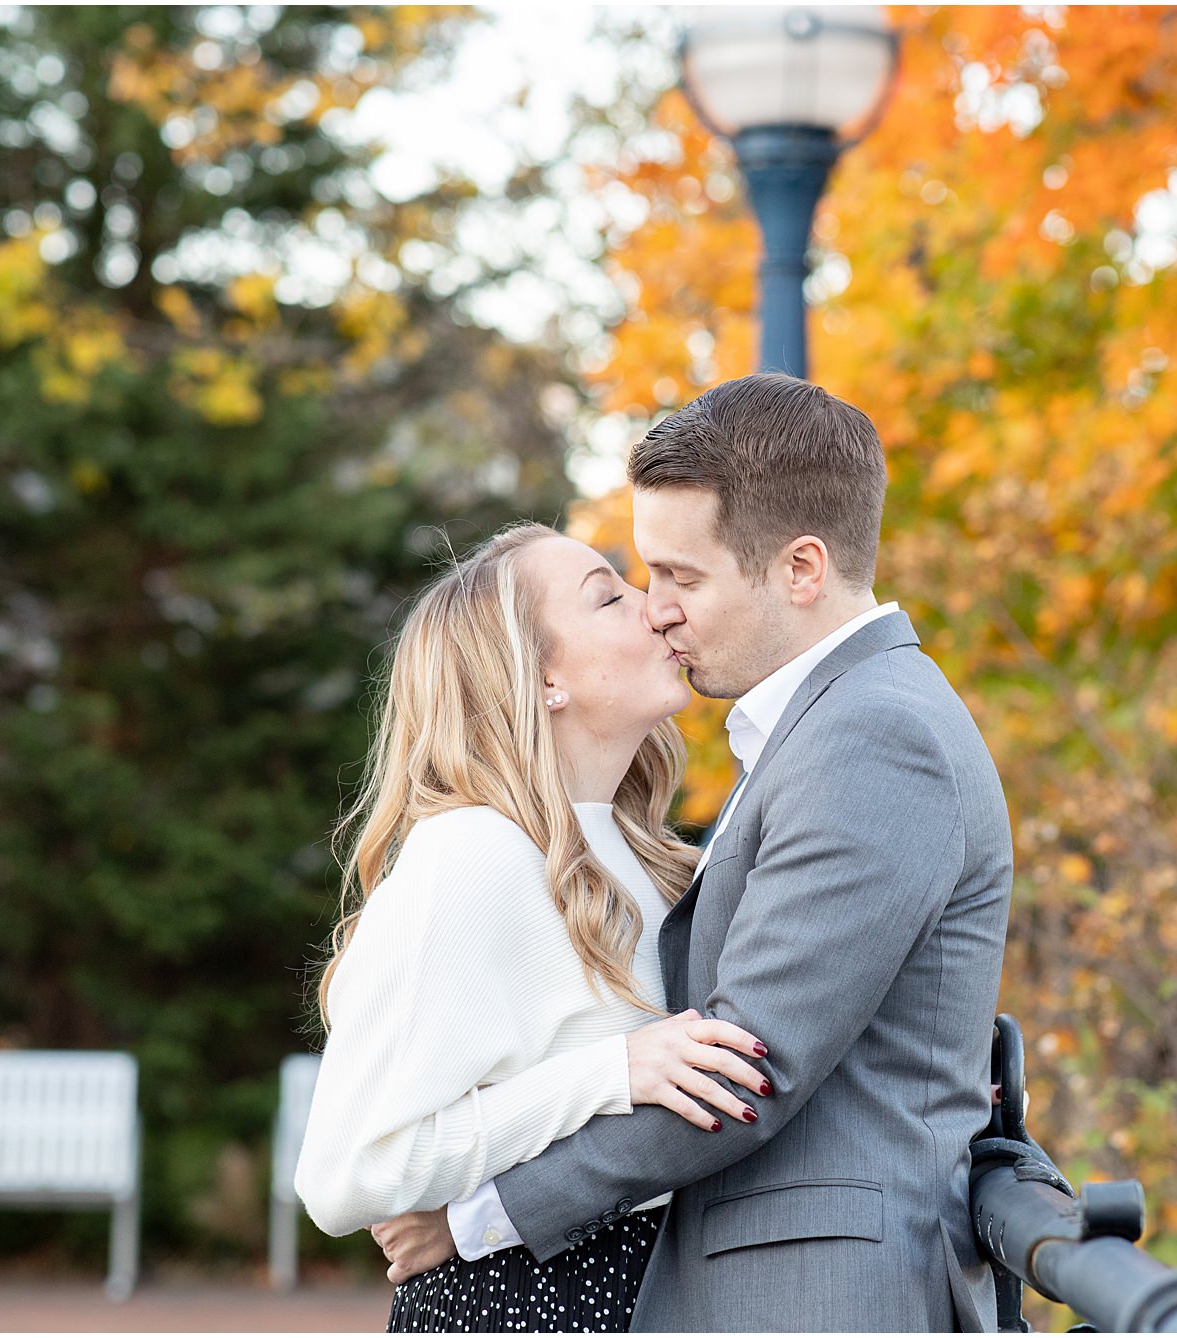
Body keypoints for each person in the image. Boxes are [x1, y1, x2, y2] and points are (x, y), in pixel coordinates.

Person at [376, 372, 1015, 1331]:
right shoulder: (829, 728)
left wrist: (476, 1216)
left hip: (817, 1296)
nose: (656, 607)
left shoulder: (874, 736)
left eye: (682, 576)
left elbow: (748, 1066)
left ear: (801, 569)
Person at [292, 519, 777, 1332]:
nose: (654, 609)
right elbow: (347, 1173)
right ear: (543, 677)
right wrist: (610, 1073)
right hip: (522, 1304)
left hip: (649, 1293)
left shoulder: (649, 856)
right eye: (609, 597)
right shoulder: (472, 852)